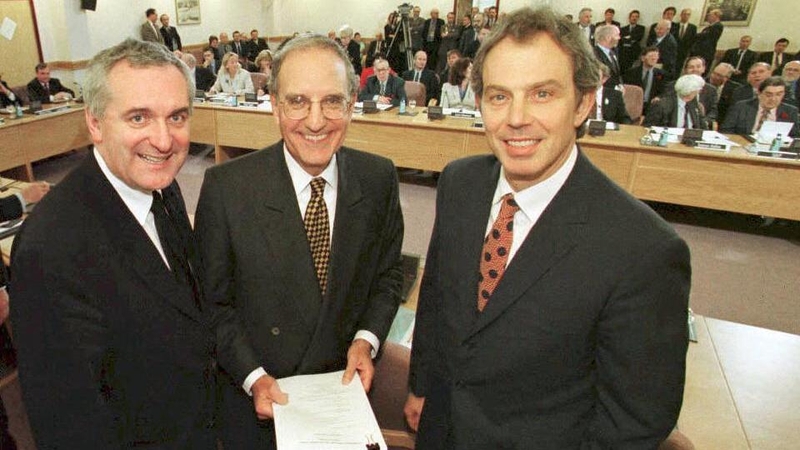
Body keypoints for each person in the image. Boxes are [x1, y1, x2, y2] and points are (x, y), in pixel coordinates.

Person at [404, 7, 691, 448]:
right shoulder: (460, 182)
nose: (516, 118)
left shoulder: (644, 250)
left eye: (542, 94)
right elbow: (439, 301)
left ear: (583, 102)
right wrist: (422, 385)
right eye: (499, 96)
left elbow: (633, 424)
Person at [195, 33, 404, 449]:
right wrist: (253, 377)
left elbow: (388, 277)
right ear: (274, 106)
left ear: (351, 105)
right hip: (259, 402)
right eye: (297, 101)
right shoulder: (226, 187)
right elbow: (212, 306)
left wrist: (367, 339)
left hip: (344, 404)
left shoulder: (379, 178)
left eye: (331, 101)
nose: (315, 121)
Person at [10, 38, 215, 449]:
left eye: (176, 117)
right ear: (95, 123)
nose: (163, 140)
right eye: (138, 118)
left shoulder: (161, 187)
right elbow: (70, 426)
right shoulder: (50, 250)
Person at [721, 76, 799, 137]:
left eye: (779, 94)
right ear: (759, 93)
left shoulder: (791, 111)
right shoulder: (741, 107)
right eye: (769, 94)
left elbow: (794, 136)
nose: (773, 99)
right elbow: (726, 130)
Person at [623, 46, 667, 114]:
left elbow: (664, 91)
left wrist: (658, 97)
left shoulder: (662, 75)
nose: (654, 58)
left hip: (651, 107)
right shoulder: (631, 73)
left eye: (656, 56)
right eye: (651, 56)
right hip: (633, 105)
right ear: (643, 58)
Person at [690, 8, 723, 75]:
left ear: (716, 16)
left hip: (706, 54)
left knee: (702, 73)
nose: (708, 17)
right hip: (700, 53)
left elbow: (706, 37)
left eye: (710, 15)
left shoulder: (718, 26)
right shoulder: (709, 27)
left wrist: (694, 35)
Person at [593, 24, 622, 89]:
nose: (619, 38)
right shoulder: (594, 54)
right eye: (617, 35)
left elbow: (616, 74)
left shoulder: (612, 52)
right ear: (608, 37)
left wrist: (620, 85)